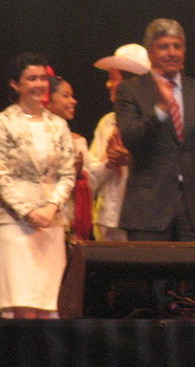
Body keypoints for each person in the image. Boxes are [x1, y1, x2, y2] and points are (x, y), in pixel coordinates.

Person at [115, 19, 195, 241]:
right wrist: (161, 111)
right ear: (150, 52)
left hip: (194, 209)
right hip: (148, 210)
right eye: (164, 46)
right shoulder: (131, 90)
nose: (172, 53)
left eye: (178, 46)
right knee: (151, 274)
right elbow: (132, 139)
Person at [0, 53, 75, 318]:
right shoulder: (4, 123)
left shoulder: (58, 125)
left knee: (48, 308)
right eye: (32, 78)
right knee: (23, 308)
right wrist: (29, 212)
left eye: (43, 78)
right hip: (16, 226)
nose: (39, 84)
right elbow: (1, 176)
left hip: (51, 226)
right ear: (15, 84)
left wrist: (52, 207)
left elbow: (68, 174)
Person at [87, 43, 150, 241]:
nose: (108, 84)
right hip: (108, 221)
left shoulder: (156, 121)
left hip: (145, 221)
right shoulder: (107, 123)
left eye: (113, 79)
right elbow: (91, 179)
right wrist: (108, 162)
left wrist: (131, 159)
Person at [45, 74, 93, 241]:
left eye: (72, 96)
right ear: (47, 101)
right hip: (40, 217)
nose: (73, 101)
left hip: (69, 221)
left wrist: (79, 175)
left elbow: (94, 182)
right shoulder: (33, 139)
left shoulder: (78, 142)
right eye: (65, 96)